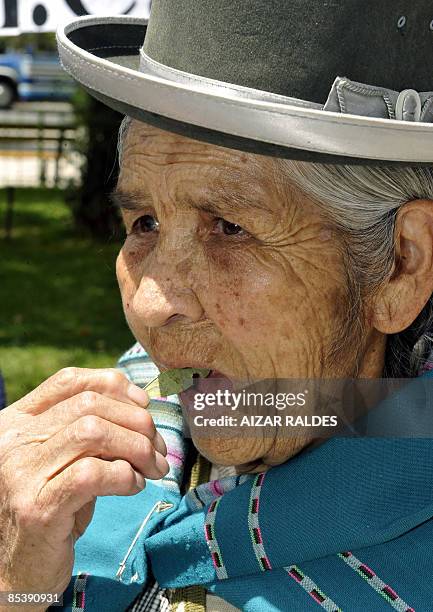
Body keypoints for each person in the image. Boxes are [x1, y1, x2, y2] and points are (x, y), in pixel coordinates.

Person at [2, 1, 433, 610]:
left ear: (399, 267)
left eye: (229, 228)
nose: (151, 305)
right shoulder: (84, 481)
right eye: (144, 222)